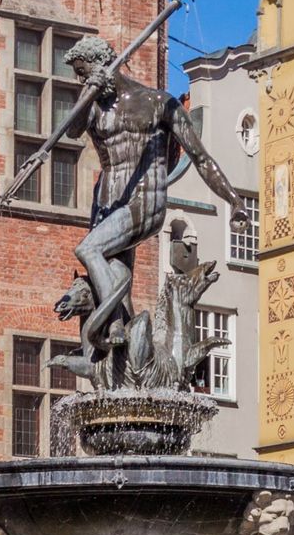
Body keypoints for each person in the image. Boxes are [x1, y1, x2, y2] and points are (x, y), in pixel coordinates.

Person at [54, 34, 250, 382]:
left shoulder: (158, 103)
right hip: (106, 202)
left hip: (144, 200)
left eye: (84, 74)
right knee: (115, 278)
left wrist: (234, 200)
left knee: (89, 249)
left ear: (104, 65)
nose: (82, 81)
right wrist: (87, 95)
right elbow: (69, 131)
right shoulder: (94, 107)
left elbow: (201, 158)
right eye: (80, 78)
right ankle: (126, 365)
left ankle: (113, 323)